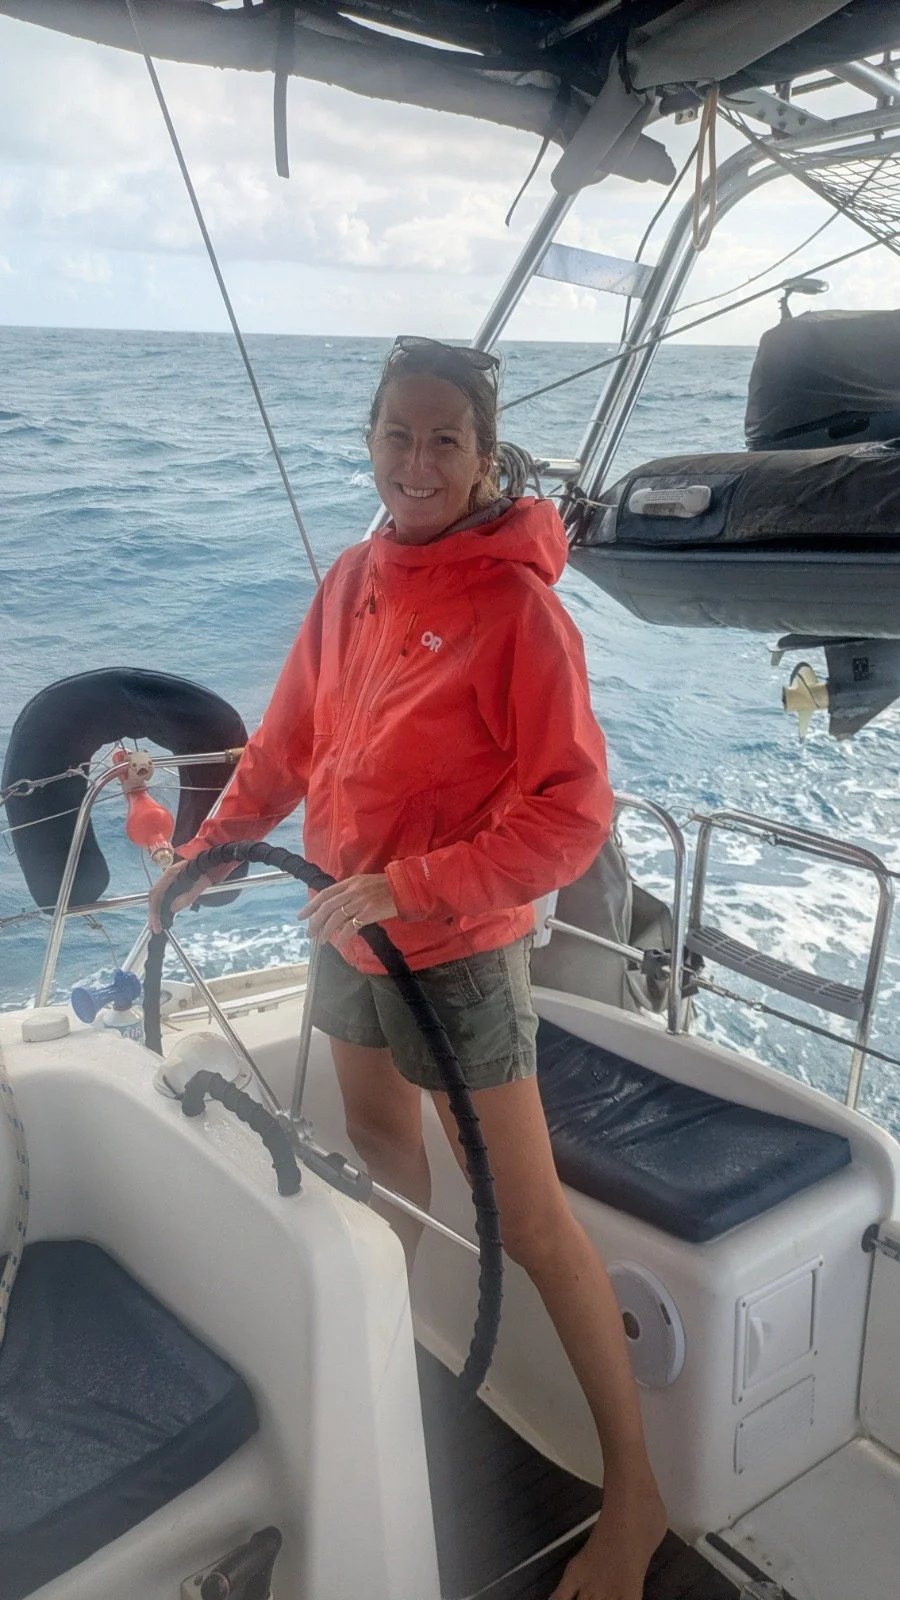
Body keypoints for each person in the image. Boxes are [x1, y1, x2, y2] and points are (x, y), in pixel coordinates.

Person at [149, 336, 666, 1600]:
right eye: (396, 434)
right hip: (344, 929)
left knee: (531, 1223)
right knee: (378, 1146)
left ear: (487, 458)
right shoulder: (353, 581)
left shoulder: (520, 611)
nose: (416, 461)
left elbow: (571, 814)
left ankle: (638, 1500)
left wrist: (419, 886)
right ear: (370, 441)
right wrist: (215, 849)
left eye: (444, 439)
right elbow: (284, 748)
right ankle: (383, 1364)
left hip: (457, 958)